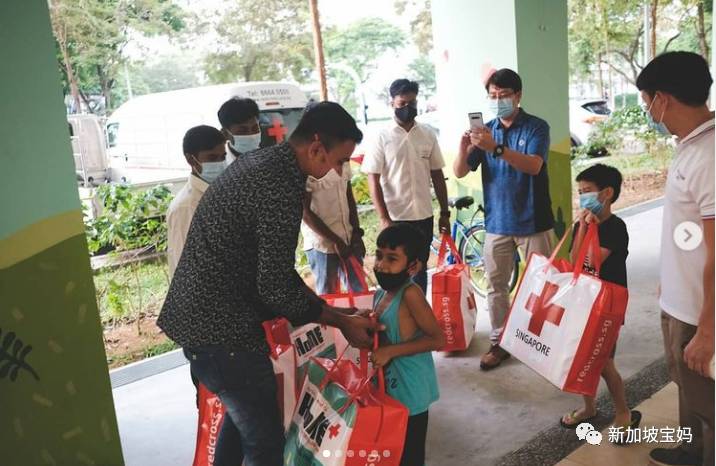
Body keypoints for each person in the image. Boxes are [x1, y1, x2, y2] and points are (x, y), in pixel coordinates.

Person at [157, 102, 381, 466]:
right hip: (224, 335)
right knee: (265, 445)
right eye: (337, 161)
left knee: (241, 422)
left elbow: (273, 270)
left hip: (206, 328)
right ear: (316, 147)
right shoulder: (279, 185)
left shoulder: (261, 165)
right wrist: (341, 322)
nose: (335, 171)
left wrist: (334, 311)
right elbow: (274, 285)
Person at [637, 51, 714, 466]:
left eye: (647, 100)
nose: (648, 110)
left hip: (699, 310)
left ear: (663, 99)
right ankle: (692, 450)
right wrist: (671, 271)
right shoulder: (691, 145)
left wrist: (707, 329)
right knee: (686, 385)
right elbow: (691, 230)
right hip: (679, 298)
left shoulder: (709, 156)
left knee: (705, 396)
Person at [453, 68, 555, 371]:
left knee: (543, 284)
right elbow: (460, 171)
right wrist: (464, 147)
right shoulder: (485, 131)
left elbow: (535, 165)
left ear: (518, 96)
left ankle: (544, 340)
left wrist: (495, 148)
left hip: (533, 220)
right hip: (497, 222)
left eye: (504, 95)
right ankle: (499, 343)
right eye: (493, 96)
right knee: (497, 286)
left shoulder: (537, 127)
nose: (498, 101)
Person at [558, 164, 642, 437]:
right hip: (584, 303)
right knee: (583, 358)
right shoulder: (582, 224)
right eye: (580, 192)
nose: (583, 198)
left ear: (607, 193)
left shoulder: (615, 228)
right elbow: (573, 262)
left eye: (588, 192)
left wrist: (586, 228)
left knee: (603, 361)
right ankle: (589, 407)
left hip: (607, 307)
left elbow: (588, 263)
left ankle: (623, 412)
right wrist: (582, 226)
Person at [362, 78, 450, 294]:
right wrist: (384, 218)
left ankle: (419, 316)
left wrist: (444, 212)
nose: (408, 108)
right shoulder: (381, 137)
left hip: (423, 215)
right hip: (396, 218)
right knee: (394, 271)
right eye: (402, 104)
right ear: (392, 103)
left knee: (419, 269)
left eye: (412, 103)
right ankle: (399, 317)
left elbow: (437, 174)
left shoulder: (427, 134)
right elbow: (373, 179)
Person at [370, 223, 445, 466]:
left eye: (392, 259)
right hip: (392, 388)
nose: (381, 265)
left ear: (412, 266)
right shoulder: (381, 293)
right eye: (379, 255)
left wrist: (391, 350)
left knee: (410, 456)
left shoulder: (411, 294)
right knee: (393, 452)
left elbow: (437, 339)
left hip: (411, 389)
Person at [167, 125, 227, 278]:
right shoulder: (186, 207)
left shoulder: (220, 193)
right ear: (190, 159)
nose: (220, 164)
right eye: (212, 158)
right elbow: (184, 266)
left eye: (223, 157)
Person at [301, 159, 366, 295]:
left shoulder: (344, 160)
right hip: (322, 244)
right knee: (329, 296)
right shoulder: (308, 165)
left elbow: (349, 197)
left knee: (360, 293)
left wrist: (356, 232)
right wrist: (336, 240)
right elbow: (305, 212)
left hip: (349, 239)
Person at [217, 96, 261, 163]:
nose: (251, 135)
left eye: (255, 128)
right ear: (225, 134)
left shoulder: (270, 159)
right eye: (242, 131)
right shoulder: (220, 165)